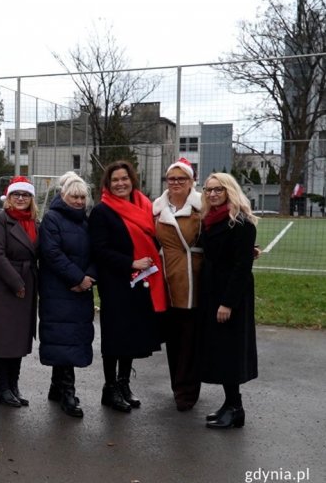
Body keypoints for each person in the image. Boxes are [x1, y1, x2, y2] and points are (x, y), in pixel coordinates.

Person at [88, 161, 166, 413]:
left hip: (140, 281)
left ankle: (123, 384)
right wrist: (130, 262)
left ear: (132, 180)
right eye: (115, 180)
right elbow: (99, 250)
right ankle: (109, 388)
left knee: (130, 336)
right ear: (107, 185)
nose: (120, 183)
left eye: (124, 178)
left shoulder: (145, 207)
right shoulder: (102, 211)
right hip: (116, 283)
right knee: (115, 337)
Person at [198, 173, 258, 429]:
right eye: (209, 190)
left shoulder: (241, 223)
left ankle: (235, 407)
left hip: (230, 297)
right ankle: (230, 403)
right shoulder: (210, 220)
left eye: (218, 190)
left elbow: (241, 268)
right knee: (221, 351)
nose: (212, 194)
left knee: (231, 352)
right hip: (212, 293)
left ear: (229, 191)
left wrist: (228, 303)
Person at [38, 172, 96, 418]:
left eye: (82, 196)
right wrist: (77, 278)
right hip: (58, 291)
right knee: (63, 340)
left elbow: (96, 252)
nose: (79, 201)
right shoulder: (52, 219)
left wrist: (89, 278)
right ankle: (68, 393)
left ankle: (56, 386)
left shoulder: (86, 221)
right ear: (64, 195)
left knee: (71, 338)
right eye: (74, 196)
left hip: (80, 290)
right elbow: (51, 253)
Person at [153, 158, 203, 412]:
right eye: (171, 179)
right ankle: (178, 386)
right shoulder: (157, 208)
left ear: (191, 181)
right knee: (173, 339)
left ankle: (188, 390)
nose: (175, 183)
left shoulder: (202, 207)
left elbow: (220, 235)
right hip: (165, 280)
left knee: (190, 339)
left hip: (193, 278)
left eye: (180, 179)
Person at [0, 176, 39, 408]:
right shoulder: (0, 220)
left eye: (25, 195)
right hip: (5, 285)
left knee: (19, 337)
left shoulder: (34, 222)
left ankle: (14, 385)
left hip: (28, 282)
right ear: (8, 198)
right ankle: (2, 387)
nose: (20, 198)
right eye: (16, 195)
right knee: (4, 337)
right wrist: (16, 283)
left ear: (31, 199)